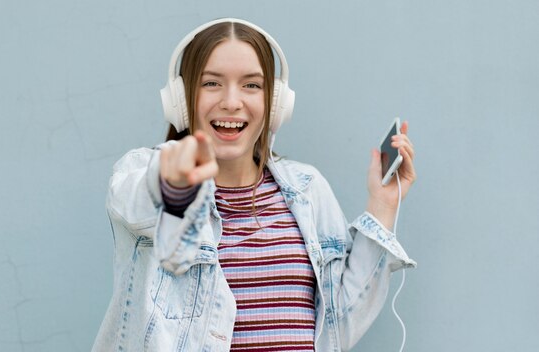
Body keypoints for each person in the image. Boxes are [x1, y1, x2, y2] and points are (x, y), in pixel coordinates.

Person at [91, 18, 417, 352]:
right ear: (181, 98)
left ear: (275, 105)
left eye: (251, 85)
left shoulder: (308, 189)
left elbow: (337, 327)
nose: (232, 102)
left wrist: (383, 204)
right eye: (211, 84)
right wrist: (172, 180)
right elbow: (136, 201)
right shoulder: (144, 174)